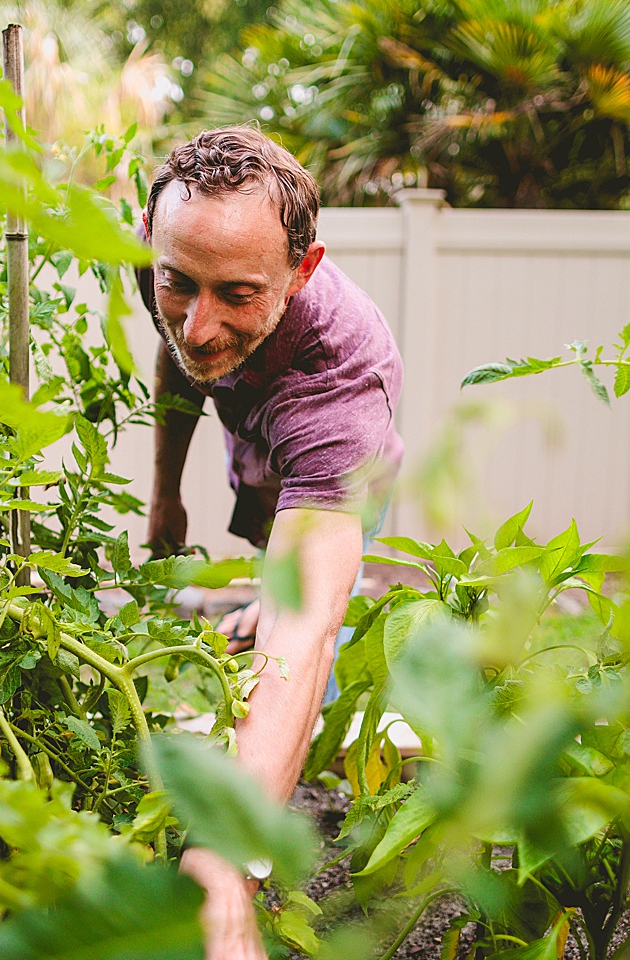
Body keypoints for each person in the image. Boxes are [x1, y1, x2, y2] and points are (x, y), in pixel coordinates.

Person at [137, 126, 403, 959]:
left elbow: (304, 626)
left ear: (304, 269)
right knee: (267, 590)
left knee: (302, 633)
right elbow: (174, 348)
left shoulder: (338, 388)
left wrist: (221, 860)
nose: (202, 323)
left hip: (332, 469)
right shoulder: (170, 264)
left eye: (239, 295)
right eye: (179, 282)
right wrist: (165, 495)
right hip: (253, 450)